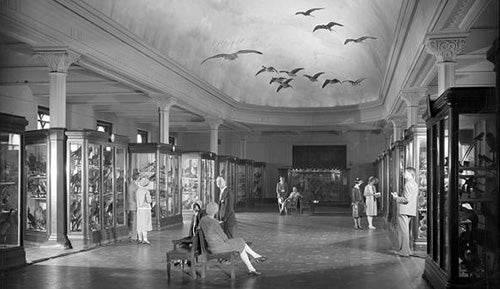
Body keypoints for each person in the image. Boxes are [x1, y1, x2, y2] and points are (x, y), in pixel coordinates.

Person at [200, 202, 268, 276]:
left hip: (212, 247)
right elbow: (225, 238)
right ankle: (255, 257)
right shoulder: (214, 223)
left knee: (240, 243)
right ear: (216, 211)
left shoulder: (203, 220)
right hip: (219, 247)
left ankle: (252, 267)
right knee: (240, 242)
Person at [391, 167, 418, 257]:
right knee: (406, 230)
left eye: (405, 173)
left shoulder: (407, 184)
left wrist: (396, 198)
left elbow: (406, 199)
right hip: (410, 210)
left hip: (404, 210)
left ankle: (404, 251)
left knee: (403, 231)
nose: (403, 174)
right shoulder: (414, 184)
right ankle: (407, 250)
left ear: (410, 174)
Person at [136, 177, 153, 245]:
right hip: (145, 209)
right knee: (145, 224)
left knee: (139, 224)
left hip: (139, 209)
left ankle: (140, 238)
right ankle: (145, 239)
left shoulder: (138, 191)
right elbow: (148, 200)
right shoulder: (146, 191)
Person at [126, 171, 139, 242]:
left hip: (134, 205)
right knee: (134, 222)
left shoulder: (133, 185)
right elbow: (134, 197)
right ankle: (134, 236)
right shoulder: (133, 186)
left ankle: (134, 235)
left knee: (135, 221)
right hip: (134, 205)